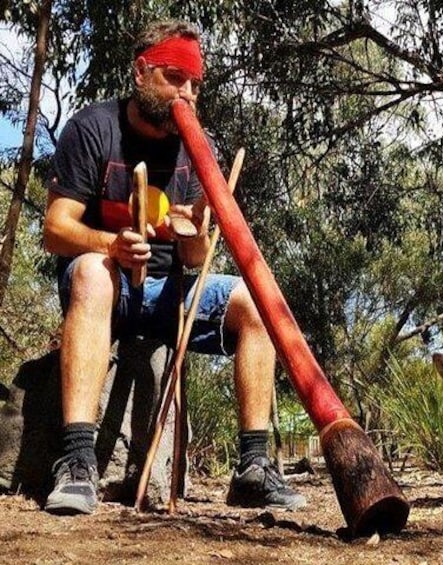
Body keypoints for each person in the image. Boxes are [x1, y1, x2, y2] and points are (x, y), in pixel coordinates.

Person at [42, 20, 306, 515]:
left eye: (194, 83)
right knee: (94, 273)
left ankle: (252, 467)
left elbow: (194, 260)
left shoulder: (197, 147)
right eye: (174, 78)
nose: (187, 92)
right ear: (141, 72)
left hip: (171, 292)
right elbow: (55, 228)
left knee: (256, 300)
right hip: (108, 288)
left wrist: (197, 232)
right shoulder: (93, 127)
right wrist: (110, 245)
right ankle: (78, 463)